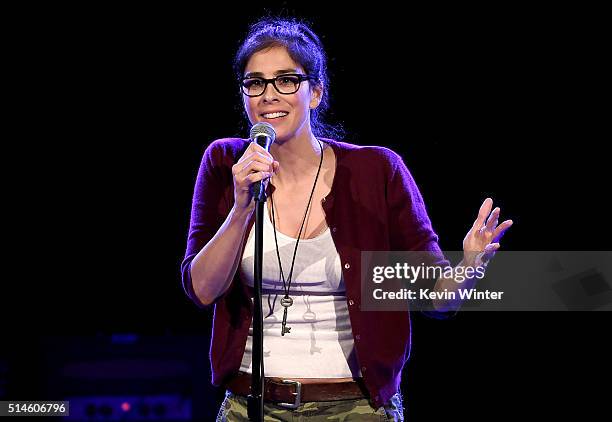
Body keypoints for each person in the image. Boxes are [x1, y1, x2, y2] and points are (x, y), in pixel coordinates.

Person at [181, 17, 512, 421]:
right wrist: (241, 207)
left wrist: (470, 267)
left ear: (315, 92)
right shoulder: (224, 163)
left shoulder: (376, 171)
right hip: (251, 406)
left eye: (286, 80)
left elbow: (436, 299)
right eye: (255, 83)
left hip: (356, 406)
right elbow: (201, 290)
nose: (269, 95)